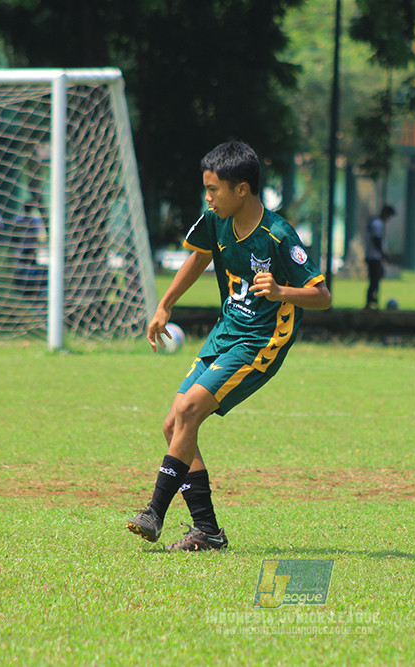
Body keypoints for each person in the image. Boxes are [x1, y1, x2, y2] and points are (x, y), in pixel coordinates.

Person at [129, 141, 331, 552]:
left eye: (213, 189)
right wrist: (164, 305)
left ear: (242, 189)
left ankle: (154, 512)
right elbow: (198, 258)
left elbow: (322, 296)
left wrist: (281, 291)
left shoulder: (278, 235)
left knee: (187, 410)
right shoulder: (216, 219)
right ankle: (207, 530)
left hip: (262, 341)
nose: (208, 198)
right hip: (226, 331)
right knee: (174, 425)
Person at [365, 204, 394, 309]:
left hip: (372, 255)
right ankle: (371, 302)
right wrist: (383, 254)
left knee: (375, 279)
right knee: (375, 280)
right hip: (374, 256)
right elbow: (376, 240)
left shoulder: (375, 222)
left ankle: (373, 301)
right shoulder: (377, 224)